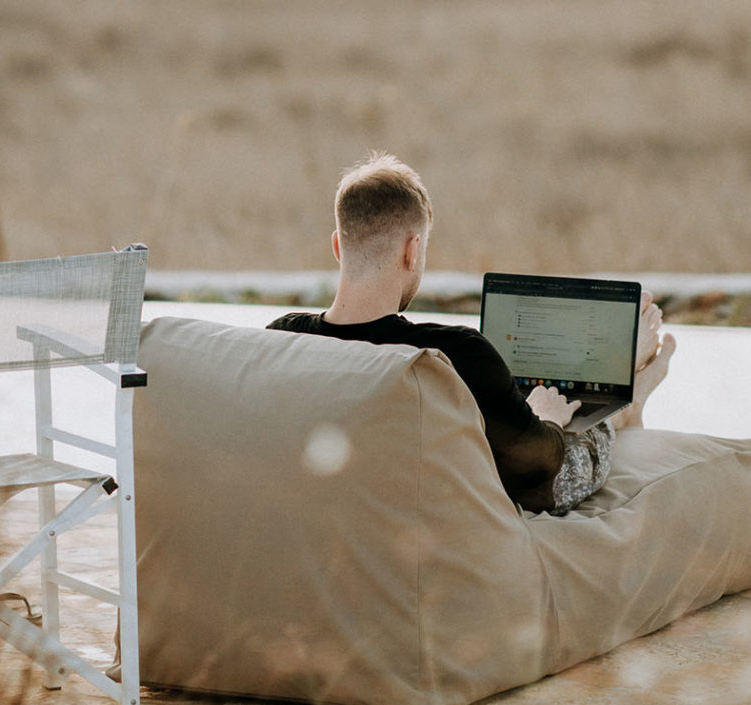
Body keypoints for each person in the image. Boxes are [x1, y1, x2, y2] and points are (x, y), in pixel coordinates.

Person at [268, 152, 676, 514]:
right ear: (412, 250)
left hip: (336, 513)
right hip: (463, 500)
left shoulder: (281, 340)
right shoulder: (453, 355)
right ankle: (628, 402)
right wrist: (548, 419)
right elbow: (549, 484)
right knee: (575, 447)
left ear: (338, 246)